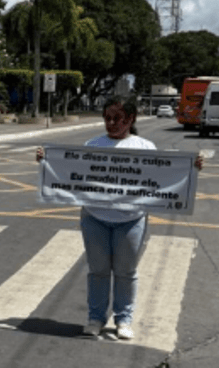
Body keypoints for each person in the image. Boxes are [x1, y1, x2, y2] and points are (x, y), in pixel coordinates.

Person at [36, 95, 202, 339]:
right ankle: (95, 318)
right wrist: (46, 159)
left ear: (131, 119)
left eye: (118, 118)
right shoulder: (92, 144)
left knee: (126, 272)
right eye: (107, 118)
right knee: (98, 271)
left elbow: (163, 176)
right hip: (94, 217)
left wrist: (192, 167)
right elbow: (70, 171)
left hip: (131, 220)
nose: (111, 123)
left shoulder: (145, 147)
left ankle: (124, 319)